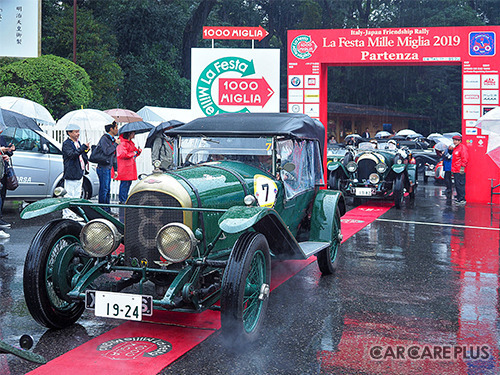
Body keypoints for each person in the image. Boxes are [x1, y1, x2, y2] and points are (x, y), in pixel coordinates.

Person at [62, 124, 89, 220]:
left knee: (77, 194)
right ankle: (67, 214)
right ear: (69, 133)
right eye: (76, 132)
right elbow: (71, 155)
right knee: (69, 194)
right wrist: (82, 148)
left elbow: (82, 157)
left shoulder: (78, 143)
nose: (78, 134)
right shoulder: (67, 144)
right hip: (71, 172)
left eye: (78, 131)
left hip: (79, 171)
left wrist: (85, 150)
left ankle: (75, 213)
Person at [96, 121, 120, 213]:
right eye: (116, 127)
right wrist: (115, 144)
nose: (117, 129)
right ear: (111, 128)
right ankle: (102, 209)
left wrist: (116, 169)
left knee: (107, 189)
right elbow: (107, 151)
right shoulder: (104, 138)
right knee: (104, 189)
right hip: (103, 167)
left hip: (108, 167)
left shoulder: (112, 139)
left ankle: (107, 209)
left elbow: (114, 156)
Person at [116, 131, 141, 204]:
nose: (134, 134)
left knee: (127, 183)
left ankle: (124, 199)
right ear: (129, 134)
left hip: (129, 167)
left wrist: (138, 152)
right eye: (133, 133)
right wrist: (134, 153)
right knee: (124, 183)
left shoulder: (130, 143)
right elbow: (122, 154)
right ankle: (122, 200)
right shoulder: (123, 143)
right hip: (124, 167)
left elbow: (133, 153)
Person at [0, 124, 14, 239]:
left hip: (2, 171)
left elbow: (6, 153)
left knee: (2, 196)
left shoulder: (2, 137)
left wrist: (9, 151)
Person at [451, 135, 468, 204]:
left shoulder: (462, 148)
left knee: (460, 184)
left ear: (460, 141)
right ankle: (459, 197)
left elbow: (465, 158)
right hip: (455, 169)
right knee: (457, 184)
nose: (455, 142)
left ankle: (462, 199)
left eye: (456, 140)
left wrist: (462, 167)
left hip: (460, 169)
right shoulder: (456, 148)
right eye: (454, 140)